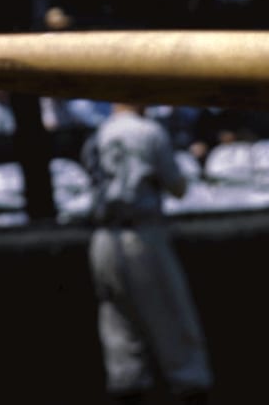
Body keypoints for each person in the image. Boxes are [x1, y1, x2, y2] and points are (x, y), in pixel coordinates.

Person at [81, 103, 213, 405]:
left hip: (101, 238)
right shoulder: (148, 131)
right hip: (141, 235)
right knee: (172, 320)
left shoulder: (96, 134)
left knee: (119, 332)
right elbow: (177, 187)